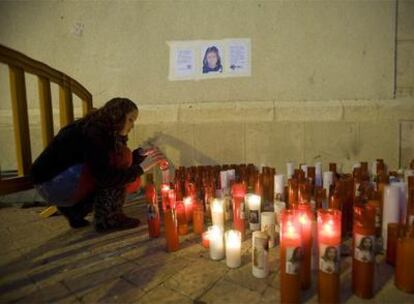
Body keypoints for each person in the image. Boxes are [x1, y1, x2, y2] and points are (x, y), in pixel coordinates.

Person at [31, 97, 166, 232]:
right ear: (118, 116)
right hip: (52, 183)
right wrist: (142, 168)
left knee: (124, 162)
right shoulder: (95, 134)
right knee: (121, 163)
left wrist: (141, 154)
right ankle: (109, 219)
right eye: (130, 119)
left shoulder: (103, 128)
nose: (132, 125)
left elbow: (108, 165)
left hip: (53, 183)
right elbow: (105, 176)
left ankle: (76, 210)